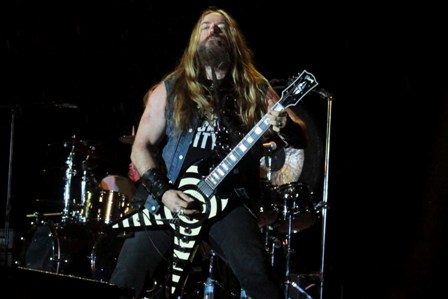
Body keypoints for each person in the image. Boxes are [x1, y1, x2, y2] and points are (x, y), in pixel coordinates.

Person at [109, 6, 308, 299]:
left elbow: (298, 135)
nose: (213, 30)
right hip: (169, 198)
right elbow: (140, 147)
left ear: (233, 39)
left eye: (221, 27)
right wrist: (163, 192)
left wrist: (284, 127)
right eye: (206, 26)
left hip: (228, 202)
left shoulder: (254, 87)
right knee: (124, 281)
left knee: (259, 277)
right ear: (194, 40)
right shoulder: (171, 87)